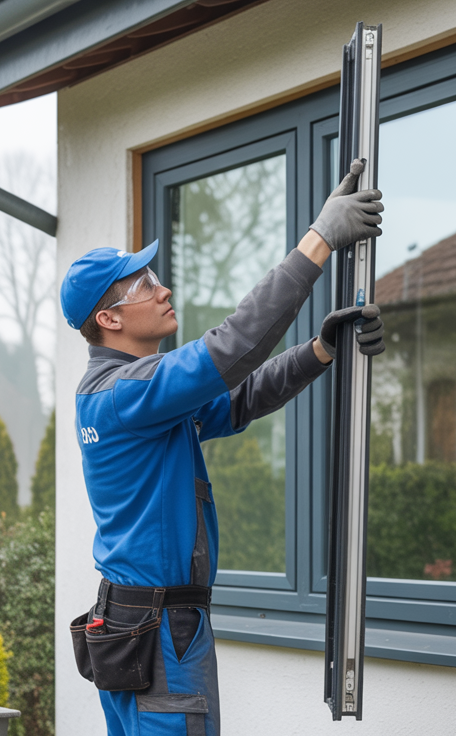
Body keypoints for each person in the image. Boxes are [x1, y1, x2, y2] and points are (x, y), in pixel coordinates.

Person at [62, 160, 384, 736]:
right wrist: (319, 240)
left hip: (135, 620)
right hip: (159, 630)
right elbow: (234, 345)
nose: (161, 288)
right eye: (141, 285)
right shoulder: (128, 391)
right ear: (107, 318)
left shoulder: (131, 397)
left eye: (155, 276)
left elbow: (237, 400)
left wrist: (320, 351)